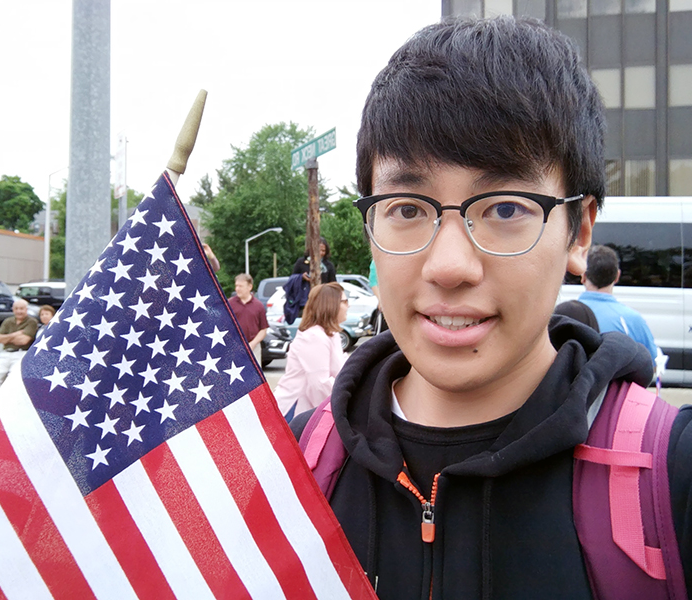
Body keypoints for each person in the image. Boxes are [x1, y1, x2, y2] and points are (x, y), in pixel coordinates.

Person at [290, 16, 692, 599]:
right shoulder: (296, 468)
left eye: (505, 208)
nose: (449, 265)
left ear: (579, 233)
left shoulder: (670, 478)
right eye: (407, 207)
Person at [274, 283, 348, 422]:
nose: (348, 306)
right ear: (331, 304)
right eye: (345, 301)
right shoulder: (314, 337)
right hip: (295, 410)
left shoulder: (332, 335)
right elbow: (319, 385)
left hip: (310, 409)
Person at [578, 244, 658, 362]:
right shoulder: (632, 320)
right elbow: (651, 363)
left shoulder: (562, 315)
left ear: (583, 276)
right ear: (617, 276)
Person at [0, 298, 39, 399]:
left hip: (21, 354)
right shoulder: (8, 321)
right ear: (13, 309)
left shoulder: (31, 322)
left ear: (26, 309)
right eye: (16, 308)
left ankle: (9, 404)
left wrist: (6, 337)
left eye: (22, 308)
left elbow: (23, 341)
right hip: (5, 354)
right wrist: (16, 334)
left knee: (12, 380)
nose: (19, 311)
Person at [227, 273, 268, 363]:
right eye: (236, 286)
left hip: (254, 347)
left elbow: (263, 329)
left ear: (250, 287)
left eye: (240, 286)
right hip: (234, 347)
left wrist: (252, 344)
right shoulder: (229, 304)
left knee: (254, 376)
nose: (237, 289)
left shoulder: (258, 306)